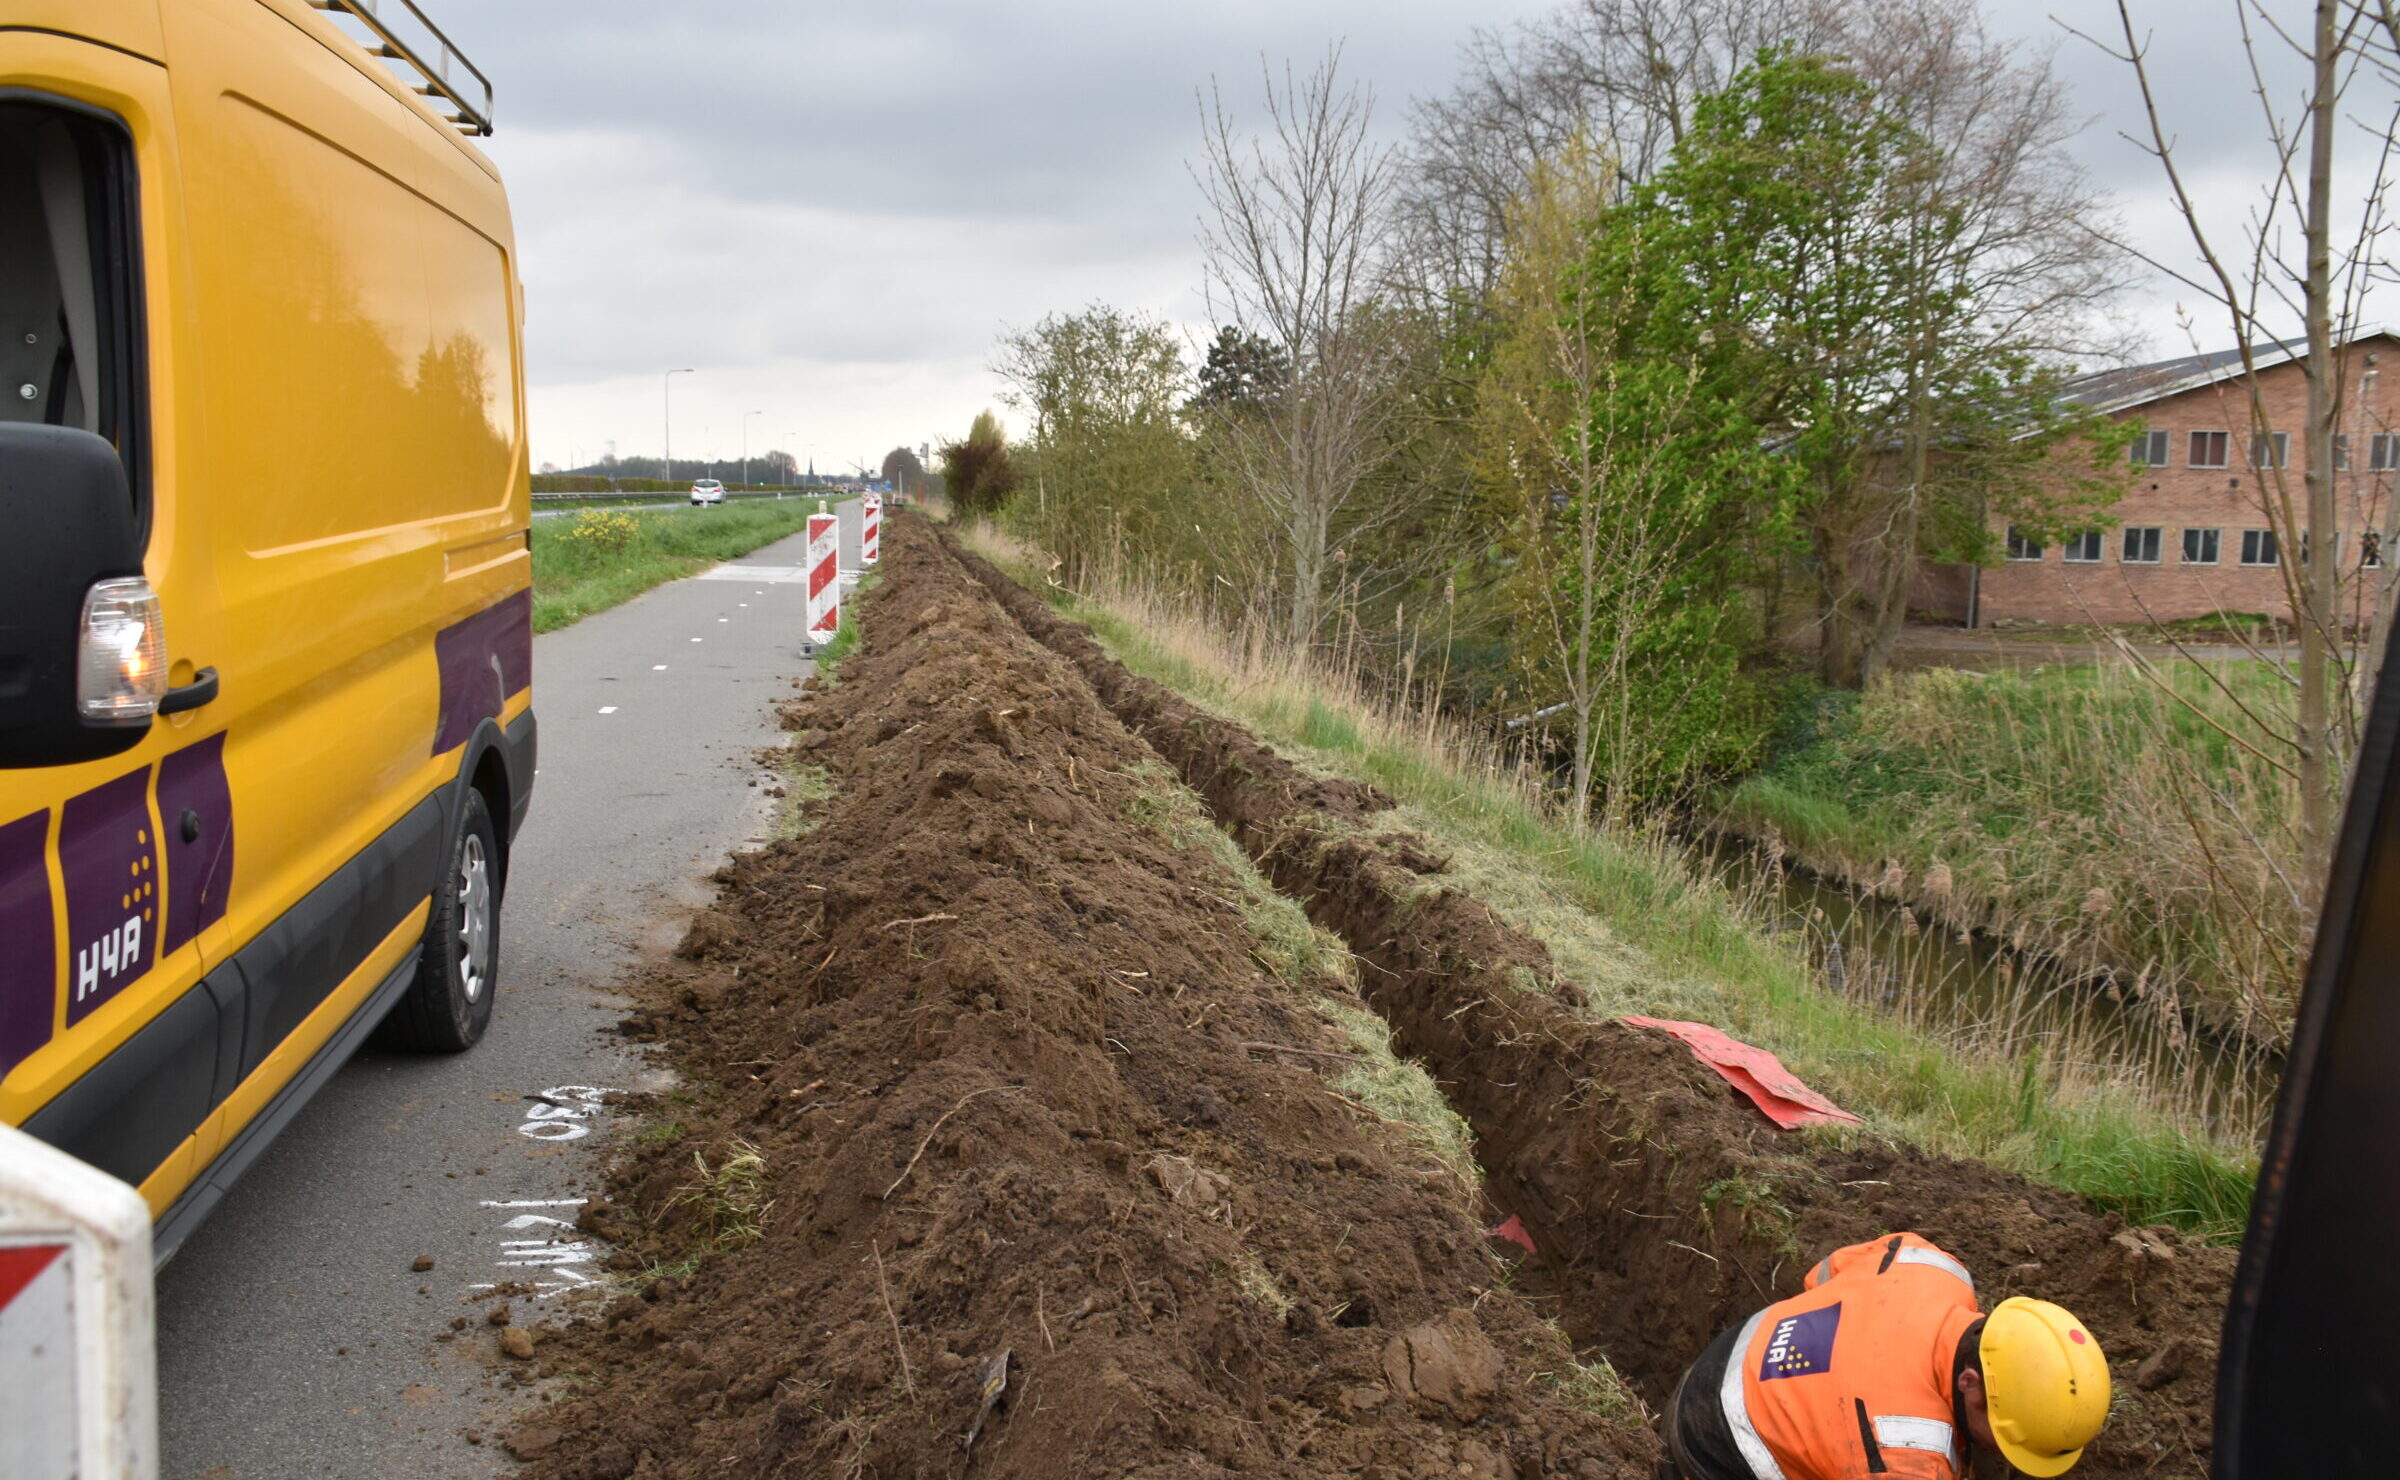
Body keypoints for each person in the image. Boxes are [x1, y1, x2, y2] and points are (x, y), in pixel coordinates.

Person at [1659, 1232, 2110, 1480]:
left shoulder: (1932, 1268)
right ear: (1968, 1382)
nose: (2004, 1454)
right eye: (2001, 1438)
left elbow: (1822, 1274)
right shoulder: (1909, 1456)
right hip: (1713, 1449)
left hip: (1730, 1356)